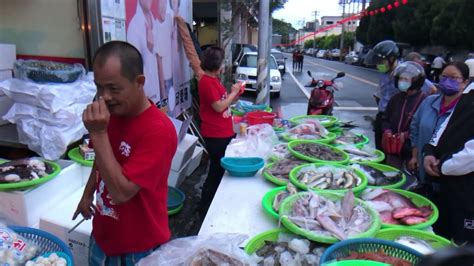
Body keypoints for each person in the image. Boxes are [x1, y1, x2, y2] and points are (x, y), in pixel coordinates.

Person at [73, 41, 178, 265]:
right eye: (99, 87)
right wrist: (87, 194)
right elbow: (100, 160)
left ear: (139, 82)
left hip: (138, 246)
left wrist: (99, 133)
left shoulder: (158, 130)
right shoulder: (111, 116)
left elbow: (122, 193)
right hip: (103, 235)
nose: (104, 97)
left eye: (113, 88)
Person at [423, 62, 473, 243]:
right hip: (445, 183)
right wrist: (430, 151)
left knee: (463, 244)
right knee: (439, 235)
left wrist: (443, 164)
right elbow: (445, 126)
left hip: (466, 190)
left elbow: (471, 155)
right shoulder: (469, 93)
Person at [409, 63, 468, 189]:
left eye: (454, 78)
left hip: (447, 174)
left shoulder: (466, 111)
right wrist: (415, 155)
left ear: (465, 83)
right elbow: (415, 127)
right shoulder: (429, 102)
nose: (448, 81)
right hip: (422, 166)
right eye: (444, 76)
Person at [198, 47, 242, 216]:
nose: (224, 64)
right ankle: (206, 208)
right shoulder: (206, 82)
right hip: (215, 135)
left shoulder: (214, 80)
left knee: (219, 171)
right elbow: (218, 107)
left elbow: (223, 102)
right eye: (223, 61)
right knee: (216, 172)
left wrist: (234, 95)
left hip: (223, 132)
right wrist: (233, 93)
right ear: (217, 64)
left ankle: (210, 205)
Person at [381, 61, 426, 169]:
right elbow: (385, 119)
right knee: (391, 174)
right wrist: (387, 131)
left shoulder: (424, 101)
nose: (402, 82)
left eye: (406, 79)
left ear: (415, 82)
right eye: (401, 79)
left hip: (410, 151)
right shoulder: (395, 98)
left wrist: (406, 135)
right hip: (393, 148)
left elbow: (423, 127)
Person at [127, 0, 165, 104]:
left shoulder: (155, 24)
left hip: (157, 96)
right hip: (144, 98)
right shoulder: (134, 26)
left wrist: (163, 95)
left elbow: (159, 60)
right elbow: (133, 70)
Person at [369, 40, 400, 150]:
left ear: (391, 59)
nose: (379, 65)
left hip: (395, 120)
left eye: (381, 61)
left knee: (391, 152)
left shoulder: (404, 71)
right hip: (382, 117)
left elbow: (430, 89)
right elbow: (379, 94)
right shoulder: (383, 73)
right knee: (379, 149)